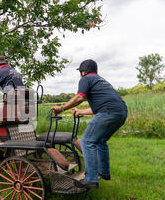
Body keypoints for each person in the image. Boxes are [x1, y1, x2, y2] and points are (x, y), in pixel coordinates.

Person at [53, 59, 128, 190]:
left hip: (108, 112)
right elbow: (98, 107)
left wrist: (61, 108)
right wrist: (80, 111)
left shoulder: (86, 79)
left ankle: (91, 179)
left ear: (83, 72)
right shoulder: (100, 81)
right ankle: (103, 172)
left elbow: (79, 97)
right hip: (121, 112)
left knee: (87, 141)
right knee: (101, 141)